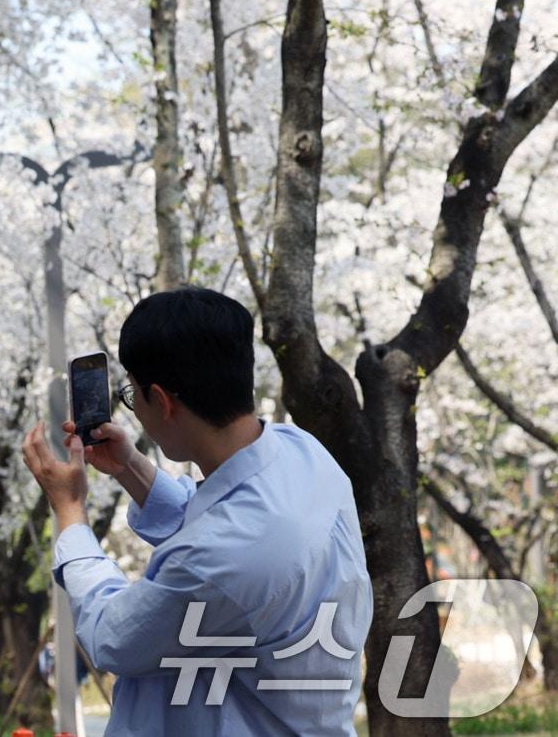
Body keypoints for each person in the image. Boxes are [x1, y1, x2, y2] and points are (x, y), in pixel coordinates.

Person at [21, 287, 372, 736]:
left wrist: (70, 513)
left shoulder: (219, 560)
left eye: (133, 394)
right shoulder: (302, 452)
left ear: (162, 401)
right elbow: (225, 519)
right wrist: (132, 468)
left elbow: (113, 638)